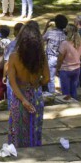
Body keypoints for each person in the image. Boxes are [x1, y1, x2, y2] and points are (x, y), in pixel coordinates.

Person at [4, 20, 49, 151]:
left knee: (17, 131)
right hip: (35, 95)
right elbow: (47, 78)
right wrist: (36, 85)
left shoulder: (14, 57)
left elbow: (12, 82)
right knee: (35, 129)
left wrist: (23, 100)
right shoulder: (42, 57)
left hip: (19, 97)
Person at [56, 25, 81, 100]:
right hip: (77, 69)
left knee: (65, 92)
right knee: (74, 90)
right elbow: (79, 56)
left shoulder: (65, 43)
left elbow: (60, 59)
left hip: (65, 70)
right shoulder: (80, 44)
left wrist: (57, 69)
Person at [43, 15, 66, 94]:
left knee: (51, 79)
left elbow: (41, 39)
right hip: (62, 58)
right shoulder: (65, 35)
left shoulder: (50, 32)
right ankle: (64, 93)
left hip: (51, 58)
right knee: (62, 78)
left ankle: (51, 94)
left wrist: (46, 26)